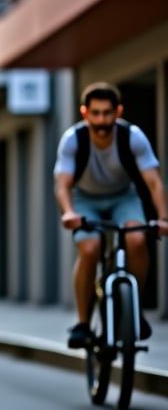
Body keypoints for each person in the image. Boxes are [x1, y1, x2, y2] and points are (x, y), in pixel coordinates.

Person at [53, 81, 168, 348]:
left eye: (107, 113)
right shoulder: (73, 140)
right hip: (84, 199)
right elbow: (63, 185)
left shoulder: (133, 136)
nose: (101, 120)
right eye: (96, 113)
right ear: (85, 113)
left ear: (118, 112)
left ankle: (133, 310)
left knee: (138, 240)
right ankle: (82, 324)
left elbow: (154, 181)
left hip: (122, 197)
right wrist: (69, 212)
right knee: (90, 247)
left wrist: (163, 218)